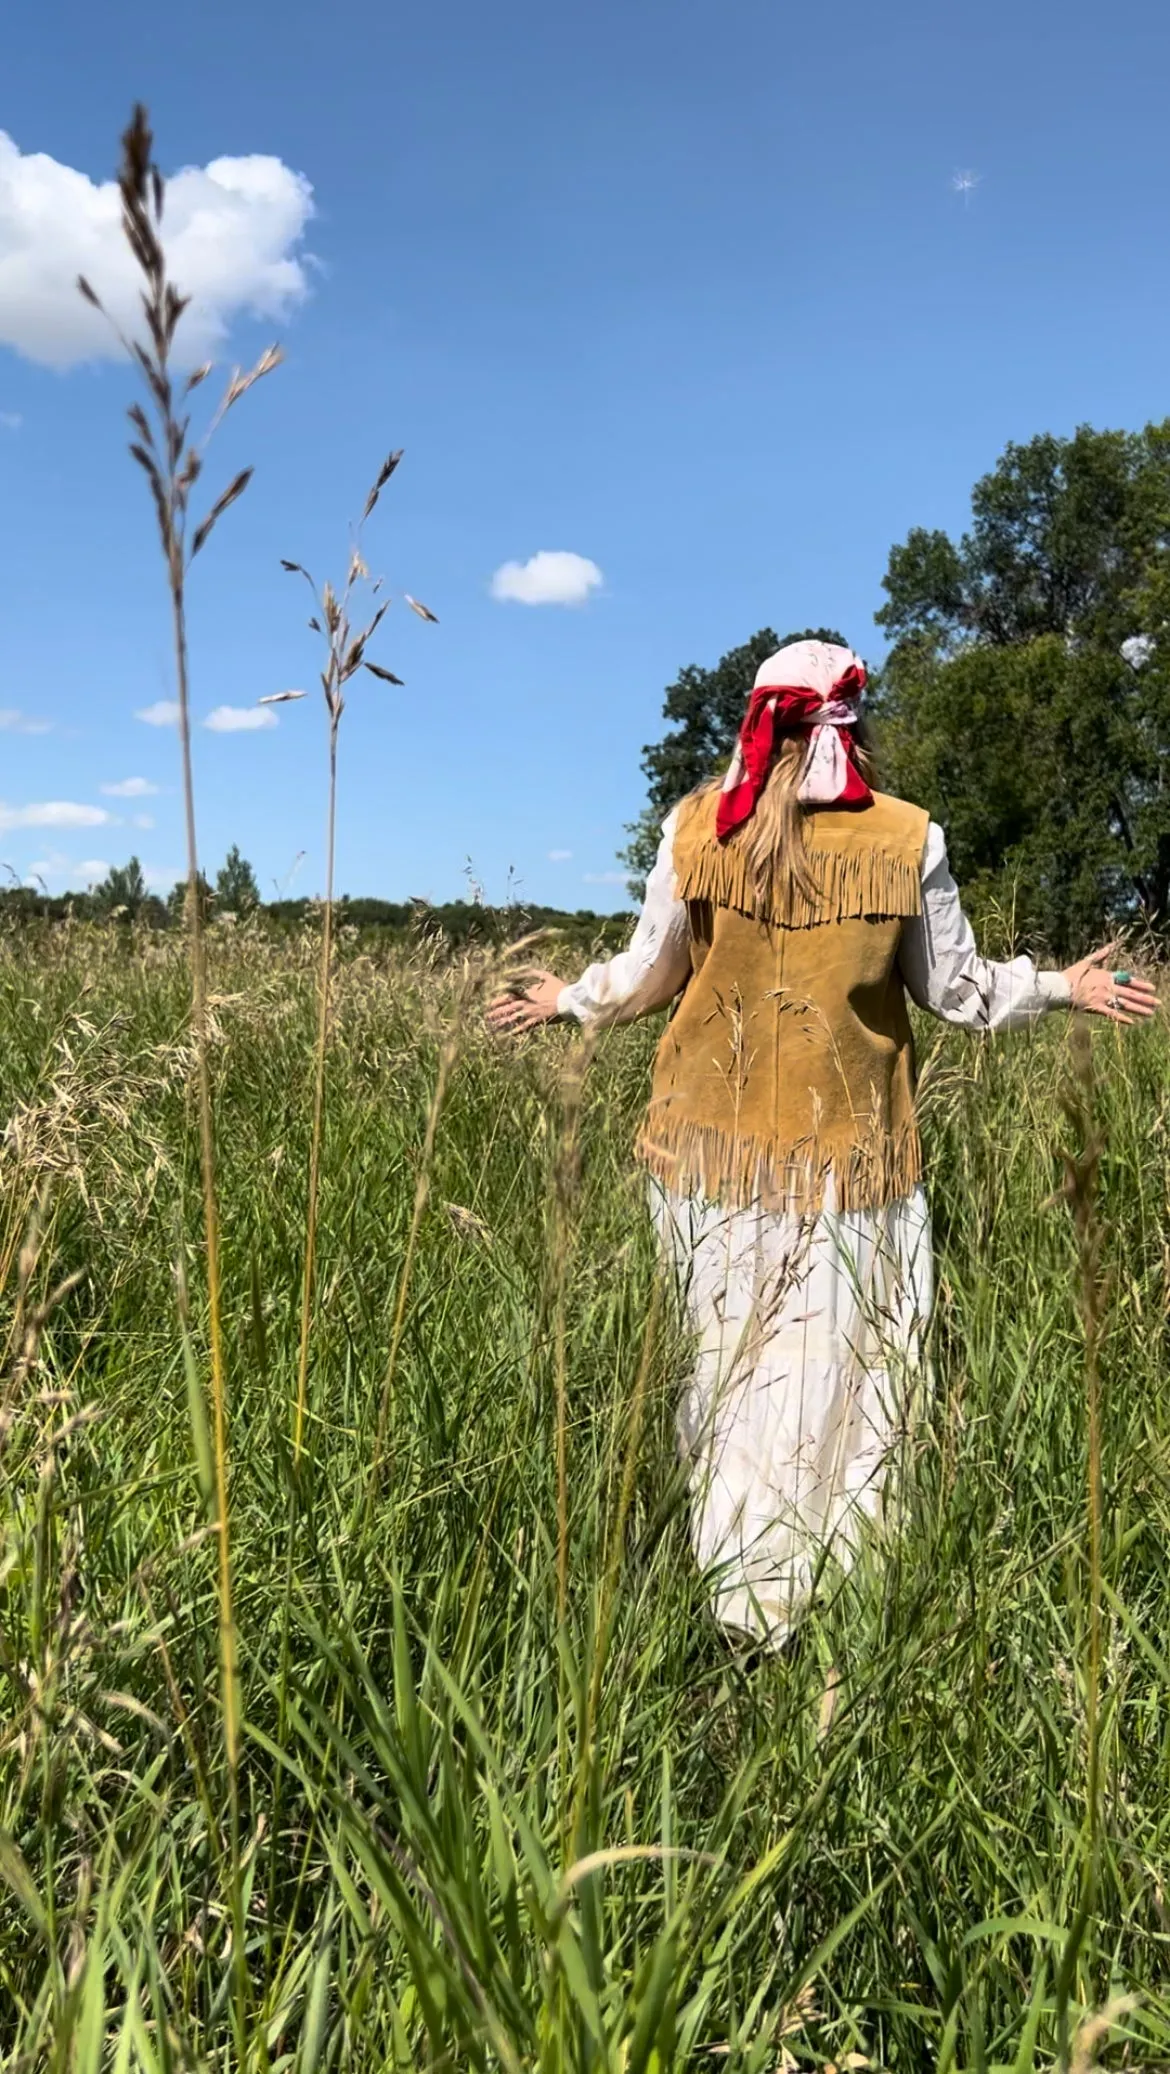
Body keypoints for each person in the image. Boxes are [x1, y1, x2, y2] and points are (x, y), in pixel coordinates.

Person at [488, 640, 1158, 1647]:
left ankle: (729, 1592)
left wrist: (564, 998)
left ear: (758, 718)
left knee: (720, 1371)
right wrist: (1066, 983)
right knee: (845, 1378)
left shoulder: (694, 830)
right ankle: (827, 1597)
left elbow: (645, 974)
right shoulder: (907, 838)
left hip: (708, 1162)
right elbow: (959, 990)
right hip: (854, 1164)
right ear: (854, 719)